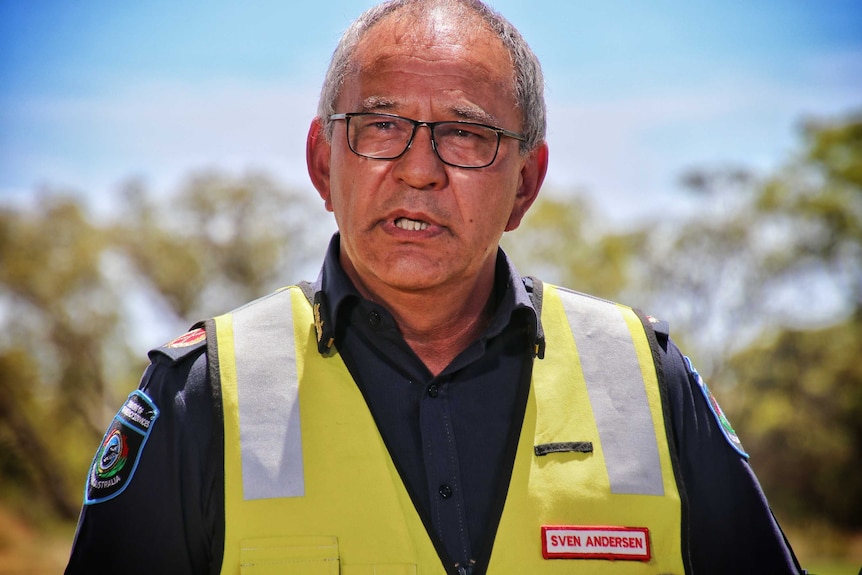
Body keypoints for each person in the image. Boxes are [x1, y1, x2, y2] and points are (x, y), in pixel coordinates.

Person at [65, 1, 805, 573]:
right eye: (380, 125)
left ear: (526, 183)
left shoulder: (646, 380)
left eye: (466, 134)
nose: (419, 170)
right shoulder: (201, 396)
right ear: (324, 164)